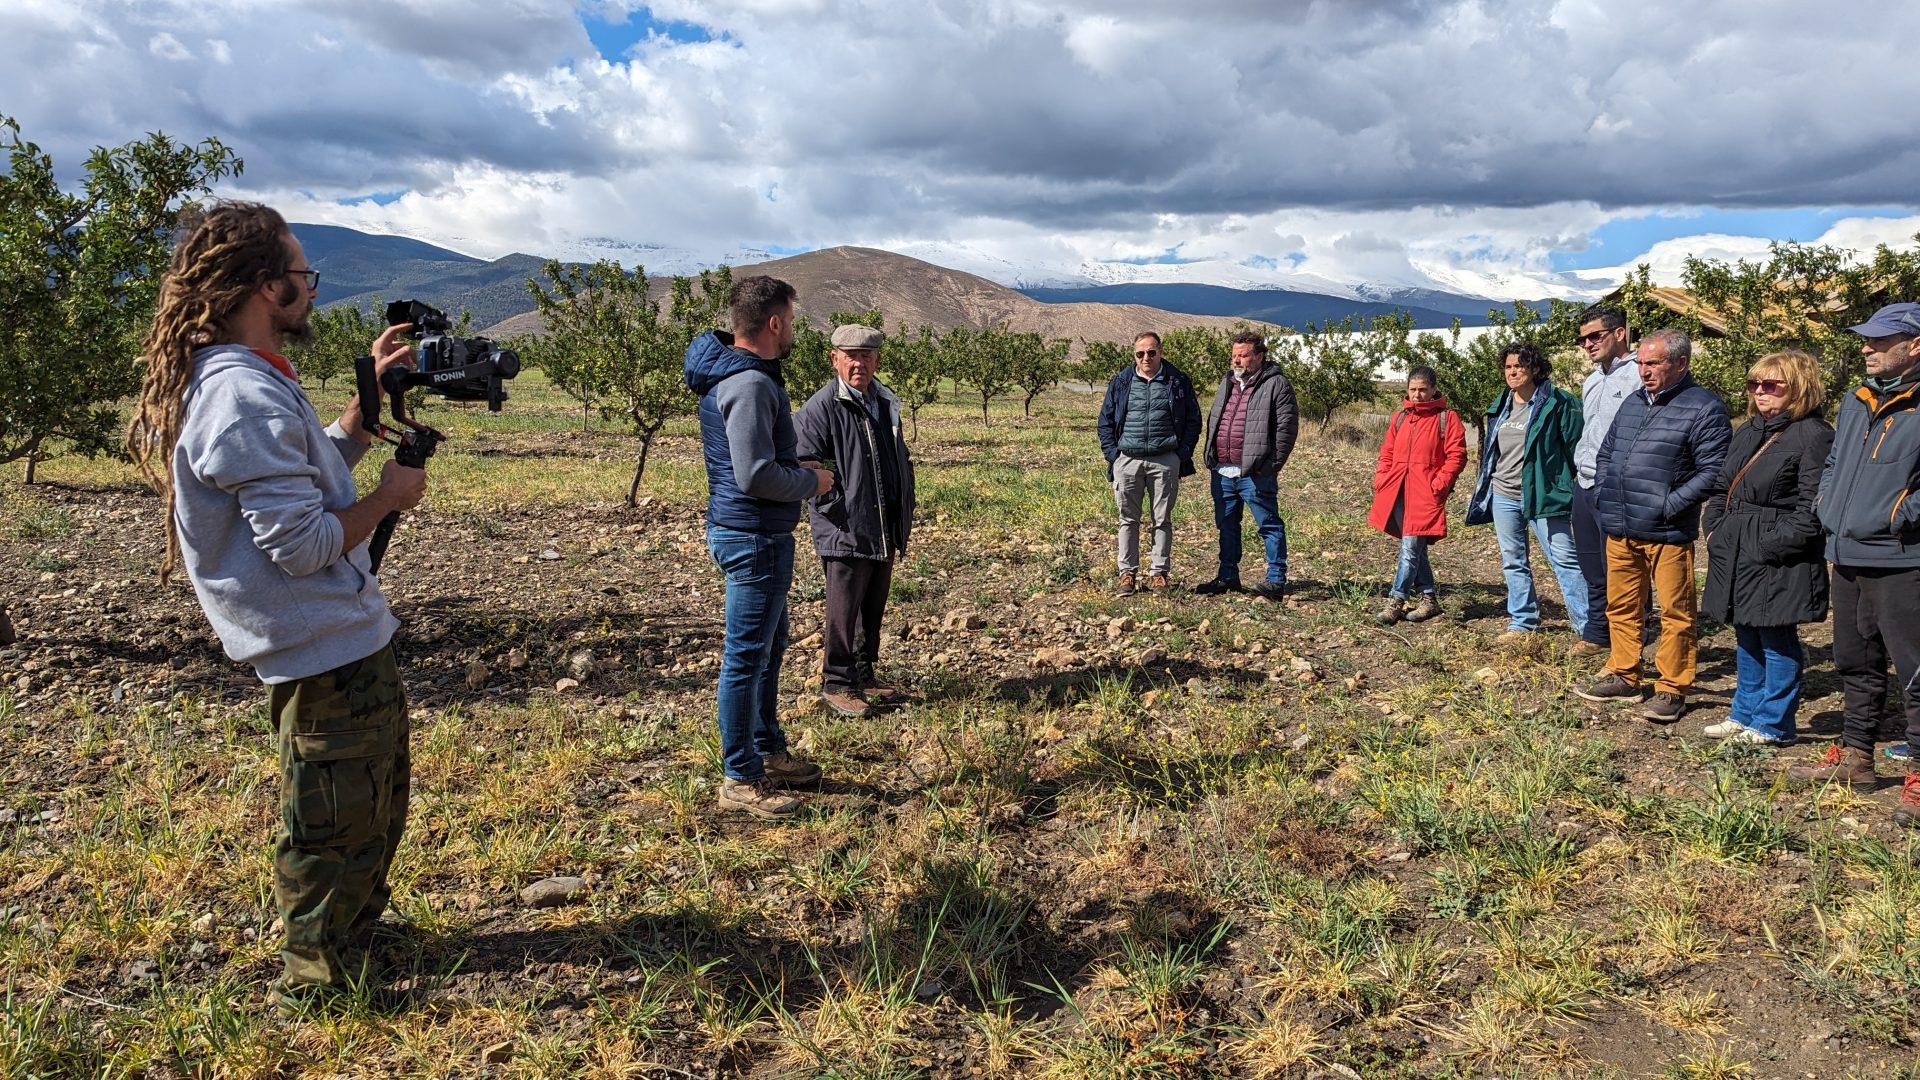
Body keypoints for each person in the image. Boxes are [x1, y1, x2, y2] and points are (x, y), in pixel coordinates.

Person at [124, 201, 426, 1005]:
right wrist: (389, 499)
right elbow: (298, 545)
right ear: (266, 285)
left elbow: (301, 474)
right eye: (302, 276)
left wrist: (358, 423)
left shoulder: (252, 380)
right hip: (317, 641)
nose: (310, 291)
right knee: (330, 819)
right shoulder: (239, 394)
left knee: (371, 803)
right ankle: (315, 984)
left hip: (341, 635)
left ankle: (354, 932)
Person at [684, 275, 834, 820]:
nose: (792, 330)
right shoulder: (749, 384)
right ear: (774, 323)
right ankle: (740, 775)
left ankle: (767, 749)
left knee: (769, 646)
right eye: (791, 320)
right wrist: (812, 484)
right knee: (746, 657)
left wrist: (798, 470)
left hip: (752, 532)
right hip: (753, 535)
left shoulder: (742, 377)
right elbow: (754, 474)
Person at [1788, 303, 1920, 823]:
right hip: (1845, 552)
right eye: (1865, 338)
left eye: (1880, 340)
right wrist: (1827, 506)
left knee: (1914, 672)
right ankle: (1857, 756)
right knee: (1854, 659)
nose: (1866, 347)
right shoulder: (1857, 398)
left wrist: (1897, 514)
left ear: (1914, 345)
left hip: (1901, 557)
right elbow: (1838, 463)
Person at [1575, 329, 1731, 722]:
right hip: (1621, 524)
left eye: (1653, 363)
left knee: (1676, 612)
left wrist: (1670, 504)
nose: (1643, 371)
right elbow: (1608, 451)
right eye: (1641, 363)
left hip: (1666, 531)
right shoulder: (1634, 402)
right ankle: (1625, 673)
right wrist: (1606, 494)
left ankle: (1671, 687)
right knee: (1622, 606)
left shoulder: (1703, 407)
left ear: (1680, 363)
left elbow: (1713, 470)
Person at [1699, 351, 1831, 746]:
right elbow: (1722, 486)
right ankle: (1743, 713)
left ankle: (1774, 724)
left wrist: (1769, 545)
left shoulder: (1814, 435)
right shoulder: (1749, 430)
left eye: (1771, 385)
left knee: (1776, 638)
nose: (1760, 392)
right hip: (1736, 545)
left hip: (1777, 552)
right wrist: (1714, 530)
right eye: (1755, 384)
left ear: (1799, 388)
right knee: (1747, 633)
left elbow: (1813, 506)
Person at [795, 324, 916, 718]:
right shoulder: (822, 407)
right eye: (850, 356)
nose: (858, 363)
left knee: (872, 605)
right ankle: (837, 681)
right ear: (835, 360)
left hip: (882, 523)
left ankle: (864, 673)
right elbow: (804, 464)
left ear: (877, 360)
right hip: (845, 525)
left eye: (866, 356)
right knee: (843, 609)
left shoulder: (883, 401)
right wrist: (835, 506)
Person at [1464, 342, 1587, 642]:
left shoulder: (1559, 402)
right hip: (1504, 494)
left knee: (1565, 560)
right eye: (1508, 367)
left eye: (1520, 365)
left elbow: (1578, 451)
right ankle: (1523, 621)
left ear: (1535, 368)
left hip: (1544, 496)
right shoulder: (1502, 404)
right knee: (1513, 560)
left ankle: (1588, 627)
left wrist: (1573, 489)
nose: (1513, 371)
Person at [1096, 331, 1202, 595]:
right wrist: (1114, 455)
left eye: (1151, 352)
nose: (1146, 358)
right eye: (1140, 353)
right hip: (1127, 460)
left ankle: (1159, 573)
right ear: (1134, 355)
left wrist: (1181, 455)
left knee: (1162, 519)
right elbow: (1105, 421)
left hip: (1165, 460)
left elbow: (1193, 421)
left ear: (1161, 352)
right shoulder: (1121, 381)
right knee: (1127, 519)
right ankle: (1127, 574)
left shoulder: (1177, 381)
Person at [1196, 330, 1299, 601]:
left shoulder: (1276, 384)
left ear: (1260, 356)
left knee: (1268, 524)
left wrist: (1270, 465)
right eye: (1234, 356)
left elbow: (1286, 430)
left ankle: (1275, 580)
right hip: (1223, 470)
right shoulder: (1228, 382)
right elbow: (1216, 419)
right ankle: (1228, 576)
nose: (1237, 361)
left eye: (1243, 356)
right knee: (1227, 524)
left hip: (1254, 472)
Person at [1367, 365, 1468, 624]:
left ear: (1434, 389)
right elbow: (1387, 452)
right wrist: (1382, 477)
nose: (1417, 395)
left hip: (1426, 493)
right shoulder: (1400, 417)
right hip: (1397, 490)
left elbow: (1457, 456)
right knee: (1415, 547)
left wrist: (1440, 484)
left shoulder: (1447, 418)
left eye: (1423, 390)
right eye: (1413, 389)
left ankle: (1396, 600)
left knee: (1410, 546)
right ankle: (1429, 599)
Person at [1570, 304, 1643, 656]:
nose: (1588, 344)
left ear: (1619, 333)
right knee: (1591, 564)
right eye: (1583, 338)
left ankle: (1630, 636)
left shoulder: (1638, 374)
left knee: (1621, 565)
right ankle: (1598, 632)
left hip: (1615, 484)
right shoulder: (1593, 379)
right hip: (1583, 482)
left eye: (1595, 336)